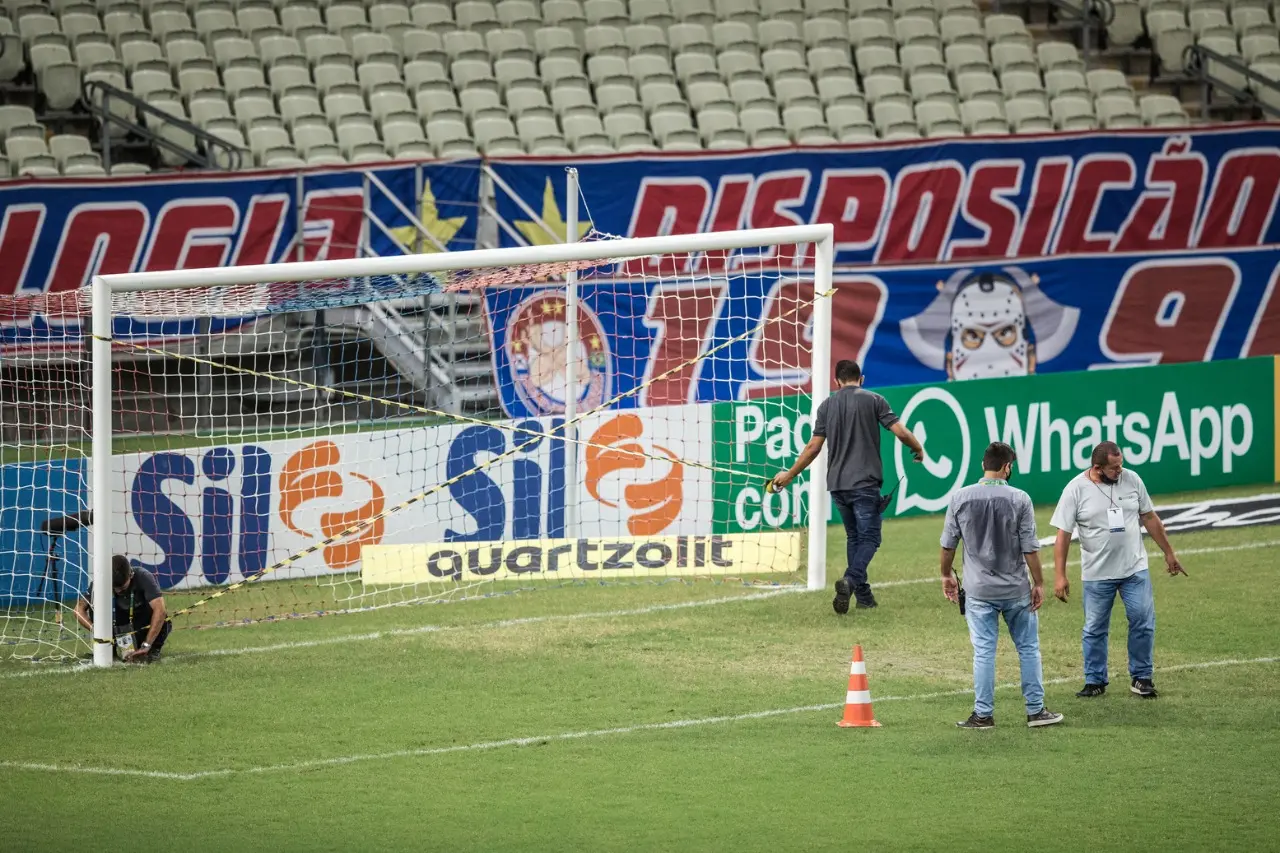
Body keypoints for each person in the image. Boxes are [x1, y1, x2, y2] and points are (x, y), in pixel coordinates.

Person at [769, 359, 924, 613]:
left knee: (854, 537)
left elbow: (813, 448)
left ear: (836, 382)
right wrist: (918, 448)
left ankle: (863, 597)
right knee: (871, 537)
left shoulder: (826, 406)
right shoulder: (874, 400)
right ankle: (851, 580)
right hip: (864, 483)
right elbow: (901, 432)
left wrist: (790, 475)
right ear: (861, 379)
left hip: (837, 485)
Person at [940, 442, 1064, 730]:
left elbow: (948, 545)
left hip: (978, 590)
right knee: (1029, 648)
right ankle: (1035, 711)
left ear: (984, 465)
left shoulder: (960, 497)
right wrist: (1039, 582)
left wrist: (947, 575)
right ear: (1007, 467)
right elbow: (1030, 548)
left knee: (984, 652)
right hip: (1015, 588)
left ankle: (983, 714)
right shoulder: (1020, 499)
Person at [1050, 441, 1187, 699]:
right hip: (1097, 574)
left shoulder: (1132, 479)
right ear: (1097, 468)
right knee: (1094, 628)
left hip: (1134, 569)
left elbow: (1149, 517)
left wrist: (1169, 553)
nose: (1120, 471)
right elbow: (1063, 535)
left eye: (1121, 464)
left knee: (1143, 621)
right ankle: (1095, 680)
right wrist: (1060, 575)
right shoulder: (1075, 490)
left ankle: (1142, 678)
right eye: (1114, 468)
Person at [73, 555, 172, 663]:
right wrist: (96, 630)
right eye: (114, 588)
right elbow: (78, 610)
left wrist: (147, 644)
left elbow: (160, 610)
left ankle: (152, 650)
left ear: (131, 575)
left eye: (122, 588)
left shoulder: (143, 576)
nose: (118, 591)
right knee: (95, 605)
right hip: (117, 627)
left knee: (163, 618)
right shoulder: (99, 582)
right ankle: (109, 650)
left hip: (141, 625)